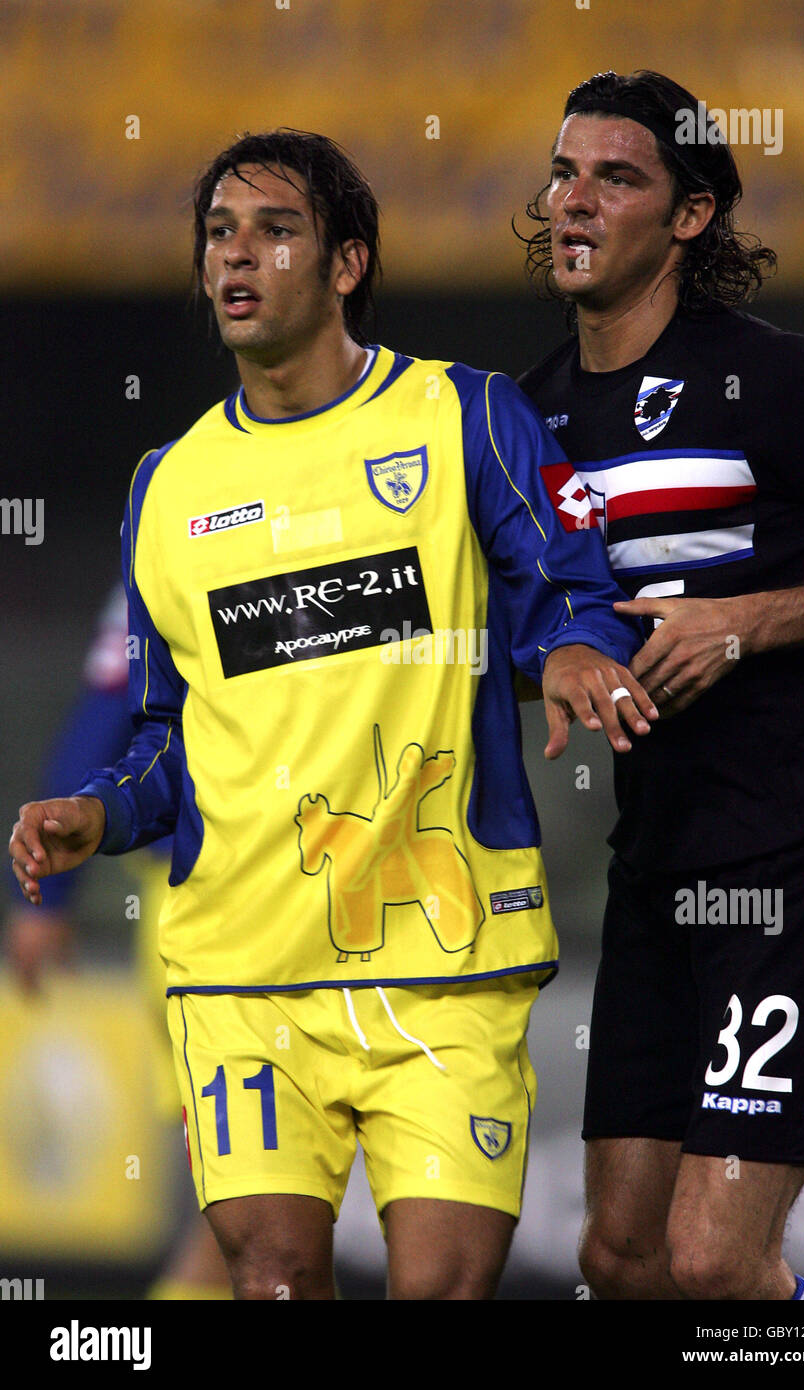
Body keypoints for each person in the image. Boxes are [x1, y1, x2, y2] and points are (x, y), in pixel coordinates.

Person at [9, 128, 652, 1301]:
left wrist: (571, 646)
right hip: (241, 969)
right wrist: (98, 816)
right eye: (217, 235)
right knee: (273, 1282)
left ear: (348, 262)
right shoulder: (170, 484)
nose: (236, 257)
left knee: (445, 1289)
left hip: (445, 959)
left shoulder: (466, 417)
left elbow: (571, 575)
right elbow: (167, 731)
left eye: (275, 230)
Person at [517, 69, 804, 1302]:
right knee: (620, 1256)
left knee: (716, 1258)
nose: (576, 200)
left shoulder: (790, 382)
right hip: (660, 866)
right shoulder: (531, 417)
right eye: (566, 172)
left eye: (617, 177)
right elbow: (518, 618)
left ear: (690, 218)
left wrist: (746, 623)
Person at [3, 583, 231, 1299]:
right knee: (251, 1208)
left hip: (200, 904)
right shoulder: (175, 529)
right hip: (214, 905)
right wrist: (46, 894)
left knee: (257, 1215)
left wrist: (43, 902)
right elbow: (108, 710)